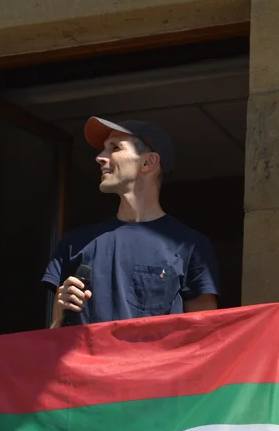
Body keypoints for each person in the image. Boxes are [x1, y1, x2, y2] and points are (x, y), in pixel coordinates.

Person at [42, 116, 219, 327]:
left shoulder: (189, 246)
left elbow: (203, 335)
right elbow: (53, 336)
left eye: (115, 147)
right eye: (104, 149)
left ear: (148, 162)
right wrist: (60, 314)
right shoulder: (74, 243)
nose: (100, 157)